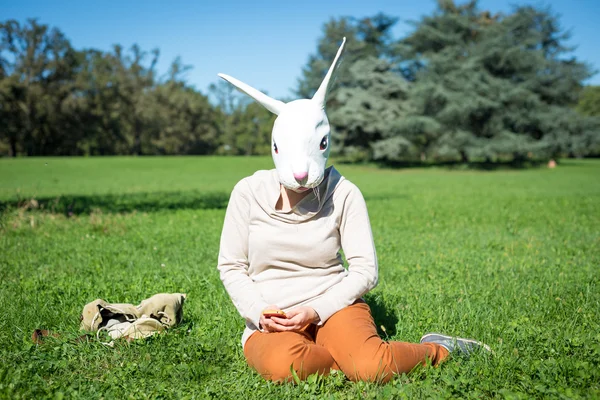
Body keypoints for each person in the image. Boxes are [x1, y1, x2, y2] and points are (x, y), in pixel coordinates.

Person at [216, 38, 490, 383]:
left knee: (372, 368)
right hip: (273, 319)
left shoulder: (344, 193)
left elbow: (365, 271)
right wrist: (258, 313)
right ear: (274, 147)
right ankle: (347, 360)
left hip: (333, 307)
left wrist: (315, 310)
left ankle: (439, 349)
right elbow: (231, 265)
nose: (301, 173)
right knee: (284, 366)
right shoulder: (248, 192)